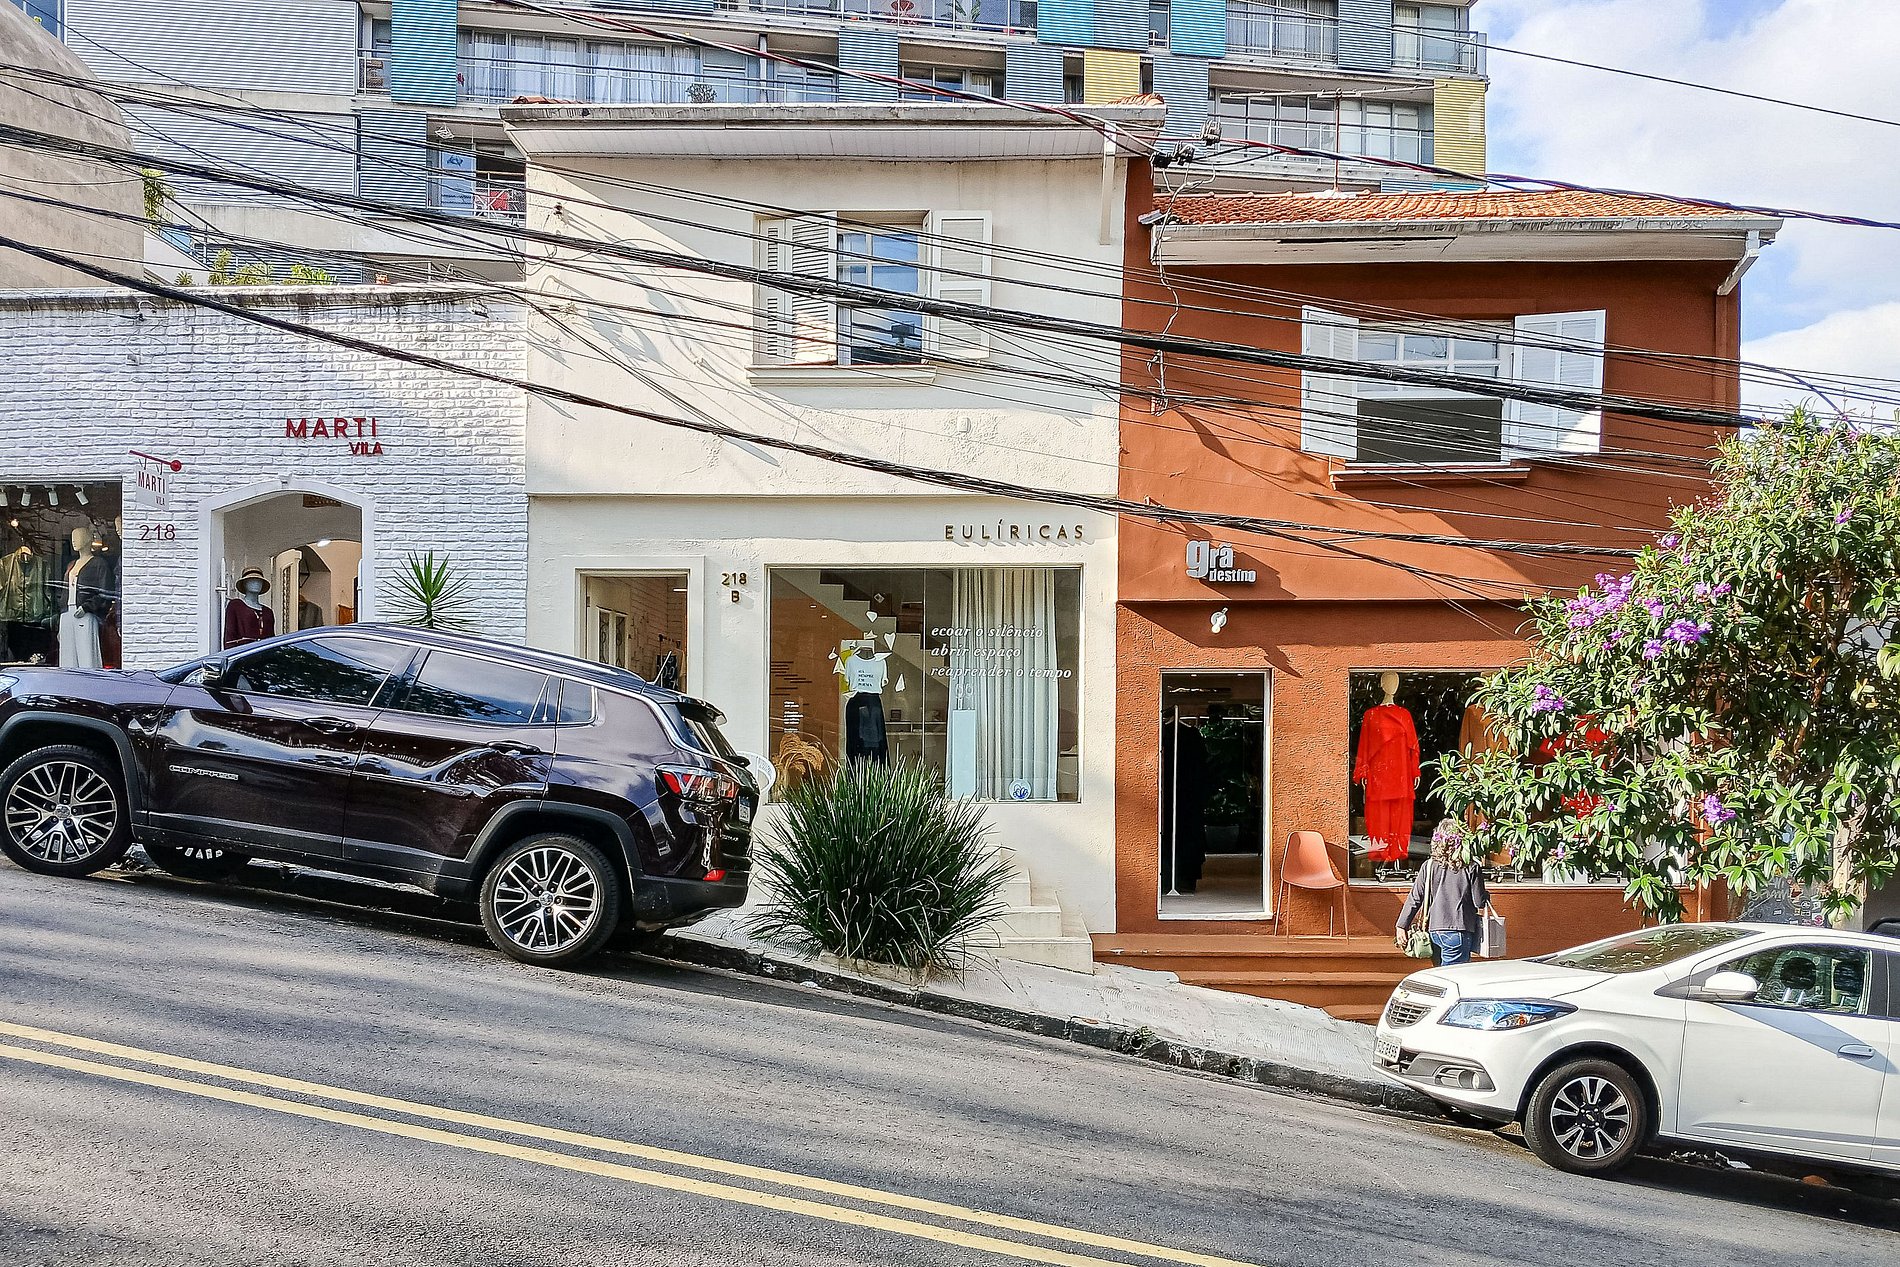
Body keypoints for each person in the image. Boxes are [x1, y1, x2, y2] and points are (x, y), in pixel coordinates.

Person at [1396, 819, 1493, 966]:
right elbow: (1479, 902)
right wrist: (1486, 895)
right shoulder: (1471, 867)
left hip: (1434, 931)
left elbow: (1415, 899)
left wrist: (1401, 925)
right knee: (1454, 976)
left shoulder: (1428, 865)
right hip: (1458, 930)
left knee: (1441, 973)